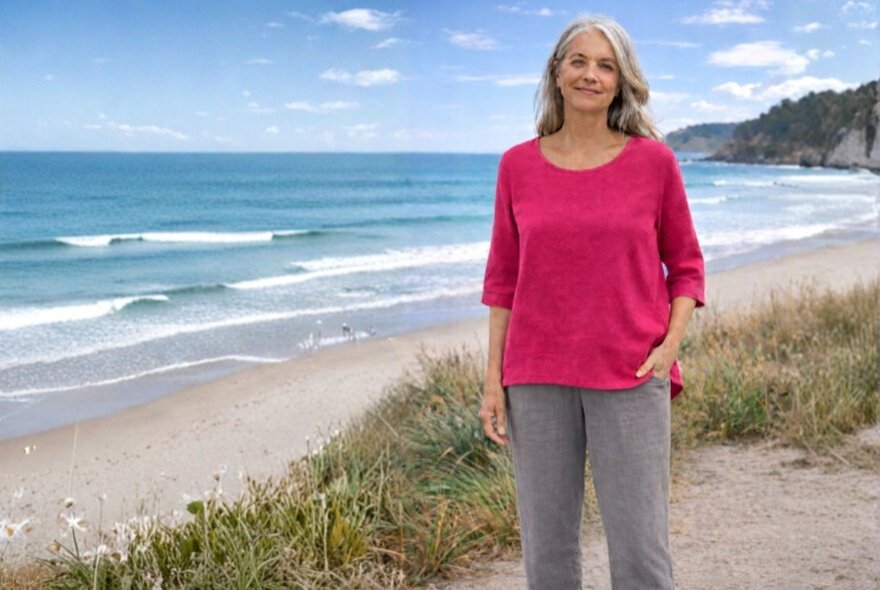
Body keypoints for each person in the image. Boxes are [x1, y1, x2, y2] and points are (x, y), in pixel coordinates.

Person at [478, 13, 706, 590]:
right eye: (578, 61)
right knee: (547, 555)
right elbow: (503, 280)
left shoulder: (655, 163)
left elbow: (686, 267)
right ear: (556, 73)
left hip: (631, 372)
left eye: (606, 66)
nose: (591, 74)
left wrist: (668, 347)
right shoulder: (516, 166)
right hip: (535, 376)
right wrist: (492, 380)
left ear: (621, 82)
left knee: (640, 553)